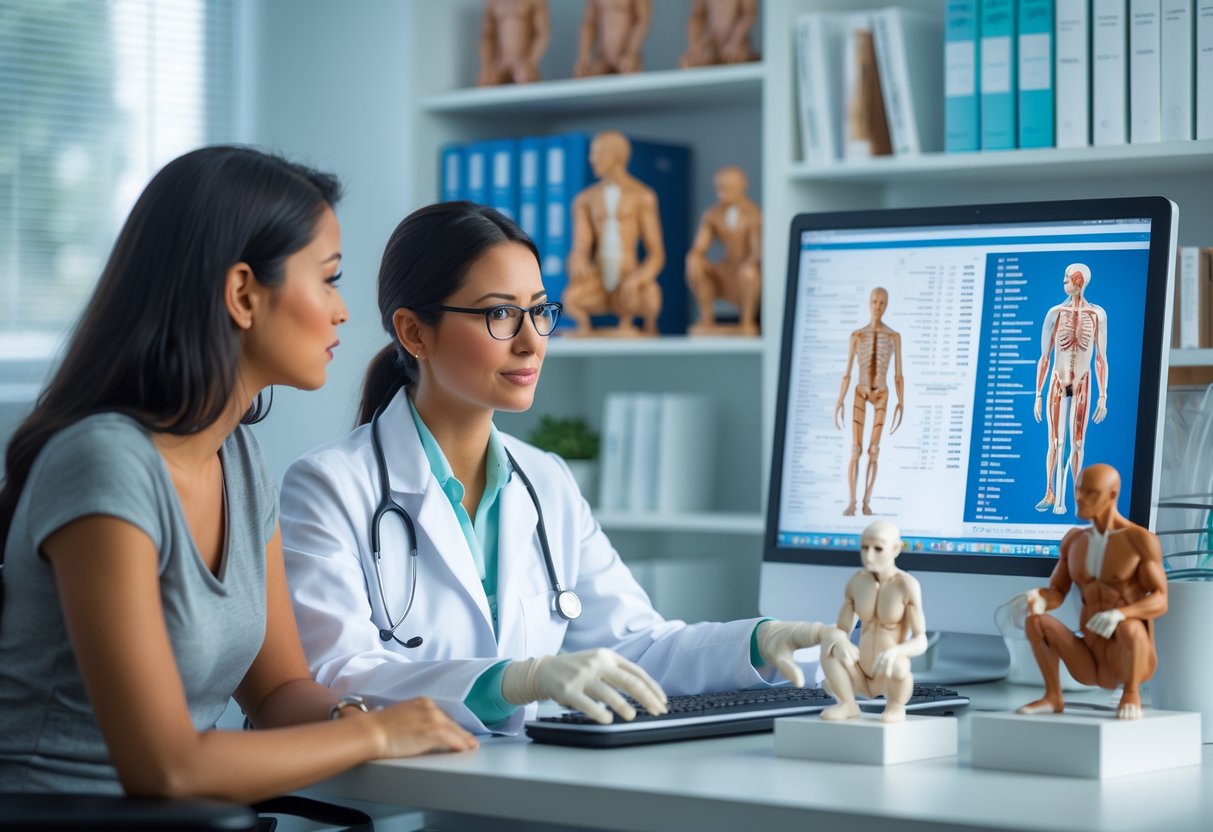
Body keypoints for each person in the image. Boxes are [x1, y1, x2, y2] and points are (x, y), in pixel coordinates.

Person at [0, 147, 476, 799]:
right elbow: (165, 768)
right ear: (243, 293)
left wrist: (366, 718)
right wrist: (375, 736)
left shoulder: (239, 459)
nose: (342, 311)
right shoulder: (105, 464)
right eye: (329, 278)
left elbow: (278, 691)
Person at [279, 201, 847, 735]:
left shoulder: (545, 480)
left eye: (540, 311)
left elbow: (637, 649)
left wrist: (761, 641)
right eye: (500, 313)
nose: (531, 342)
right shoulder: (329, 486)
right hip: (393, 806)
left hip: (520, 787)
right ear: (413, 332)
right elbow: (335, 678)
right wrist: (511, 681)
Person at [1012, 463, 1166, 720]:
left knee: (1130, 625)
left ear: (1112, 496)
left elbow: (1160, 599)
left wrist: (1120, 613)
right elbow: (1057, 591)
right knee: (1036, 622)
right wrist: (1038, 598)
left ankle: (1131, 694)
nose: (1080, 499)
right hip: (1088, 654)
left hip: (1126, 657)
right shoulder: (1074, 540)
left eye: (1091, 493)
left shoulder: (1139, 540)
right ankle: (1053, 696)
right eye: (1078, 490)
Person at [818, 520, 927, 724]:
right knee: (829, 645)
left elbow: (921, 640)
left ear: (895, 549)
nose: (869, 556)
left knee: (901, 665)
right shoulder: (857, 582)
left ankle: (895, 705)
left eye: (878, 548)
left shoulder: (906, 585)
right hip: (859, 671)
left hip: (888, 674)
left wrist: (897, 651)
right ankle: (848, 703)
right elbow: (842, 628)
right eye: (864, 548)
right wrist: (839, 641)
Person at [563, 130, 664, 337]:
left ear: (616, 156)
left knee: (652, 296)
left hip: (628, 276)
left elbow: (657, 253)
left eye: (598, 153)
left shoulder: (642, 196)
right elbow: (581, 244)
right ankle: (585, 326)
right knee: (571, 299)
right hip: (599, 278)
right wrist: (578, 258)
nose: (592, 159)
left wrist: (639, 277)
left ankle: (640, 323)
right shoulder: (585, 199)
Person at [1033, 263, 1109, 515]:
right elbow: (1044, 357)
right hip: (1058, 381)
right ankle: (1050, 492)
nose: (1063, 281)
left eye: (1067, 278)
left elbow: (1101, 358)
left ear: (1078, 281)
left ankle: (1076, 497)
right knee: (1055, 441)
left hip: (1083, 383)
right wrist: (1038, 394)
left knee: (1077, 442)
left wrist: (1103, 396)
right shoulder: (1055, 313)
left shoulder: (1097, 315)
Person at [834, 287, 904, 516]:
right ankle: (852, 502)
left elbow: (898, 374)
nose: (877, 307)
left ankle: (866, 501)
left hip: (882, 392)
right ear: (869, 303)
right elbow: (847, 372)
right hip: (860, 391)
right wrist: (839, 401)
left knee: (874, 450)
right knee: (856, 450)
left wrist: (900, 403)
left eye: (882, 303)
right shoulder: (857, 336)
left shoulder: (894, 337)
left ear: (887, 305)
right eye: (874, 301)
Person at [685, 165, 761, 336]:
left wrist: (748, 265)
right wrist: (693, 256)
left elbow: (757, 251)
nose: (722, 192)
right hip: (724, 269)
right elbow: (700, 246)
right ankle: (707, 319)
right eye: (719, 187)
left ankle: (746, 321)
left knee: (749, 273)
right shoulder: (712, 215)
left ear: (741, 187)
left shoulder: (753, 214)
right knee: (695, 266)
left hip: (743, 269)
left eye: (728, 188)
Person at [476, 0, 550, 86]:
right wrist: (486, 67)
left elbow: (542, 33)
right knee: (486, 81)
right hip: (500, 63)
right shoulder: (492, 2)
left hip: (523, 61)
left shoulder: (536, 1)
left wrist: (531, 63)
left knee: (524, 77)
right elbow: (487, 36)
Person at [573, 0, 651, 77]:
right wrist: (583, 58)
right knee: (583, 77)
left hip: (627, 59)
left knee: (627, 82)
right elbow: (589, 23)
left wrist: (631, 53)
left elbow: (642, 20)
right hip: (603, 58)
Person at [678, 0, 760, 68]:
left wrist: (735, 41)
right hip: (713, 41)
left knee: (736, 57)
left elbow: (749, 14)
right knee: (688, 63)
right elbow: (697, 16)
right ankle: (716, 59)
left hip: (736, 41)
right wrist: (694, 44)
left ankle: (750, 57)